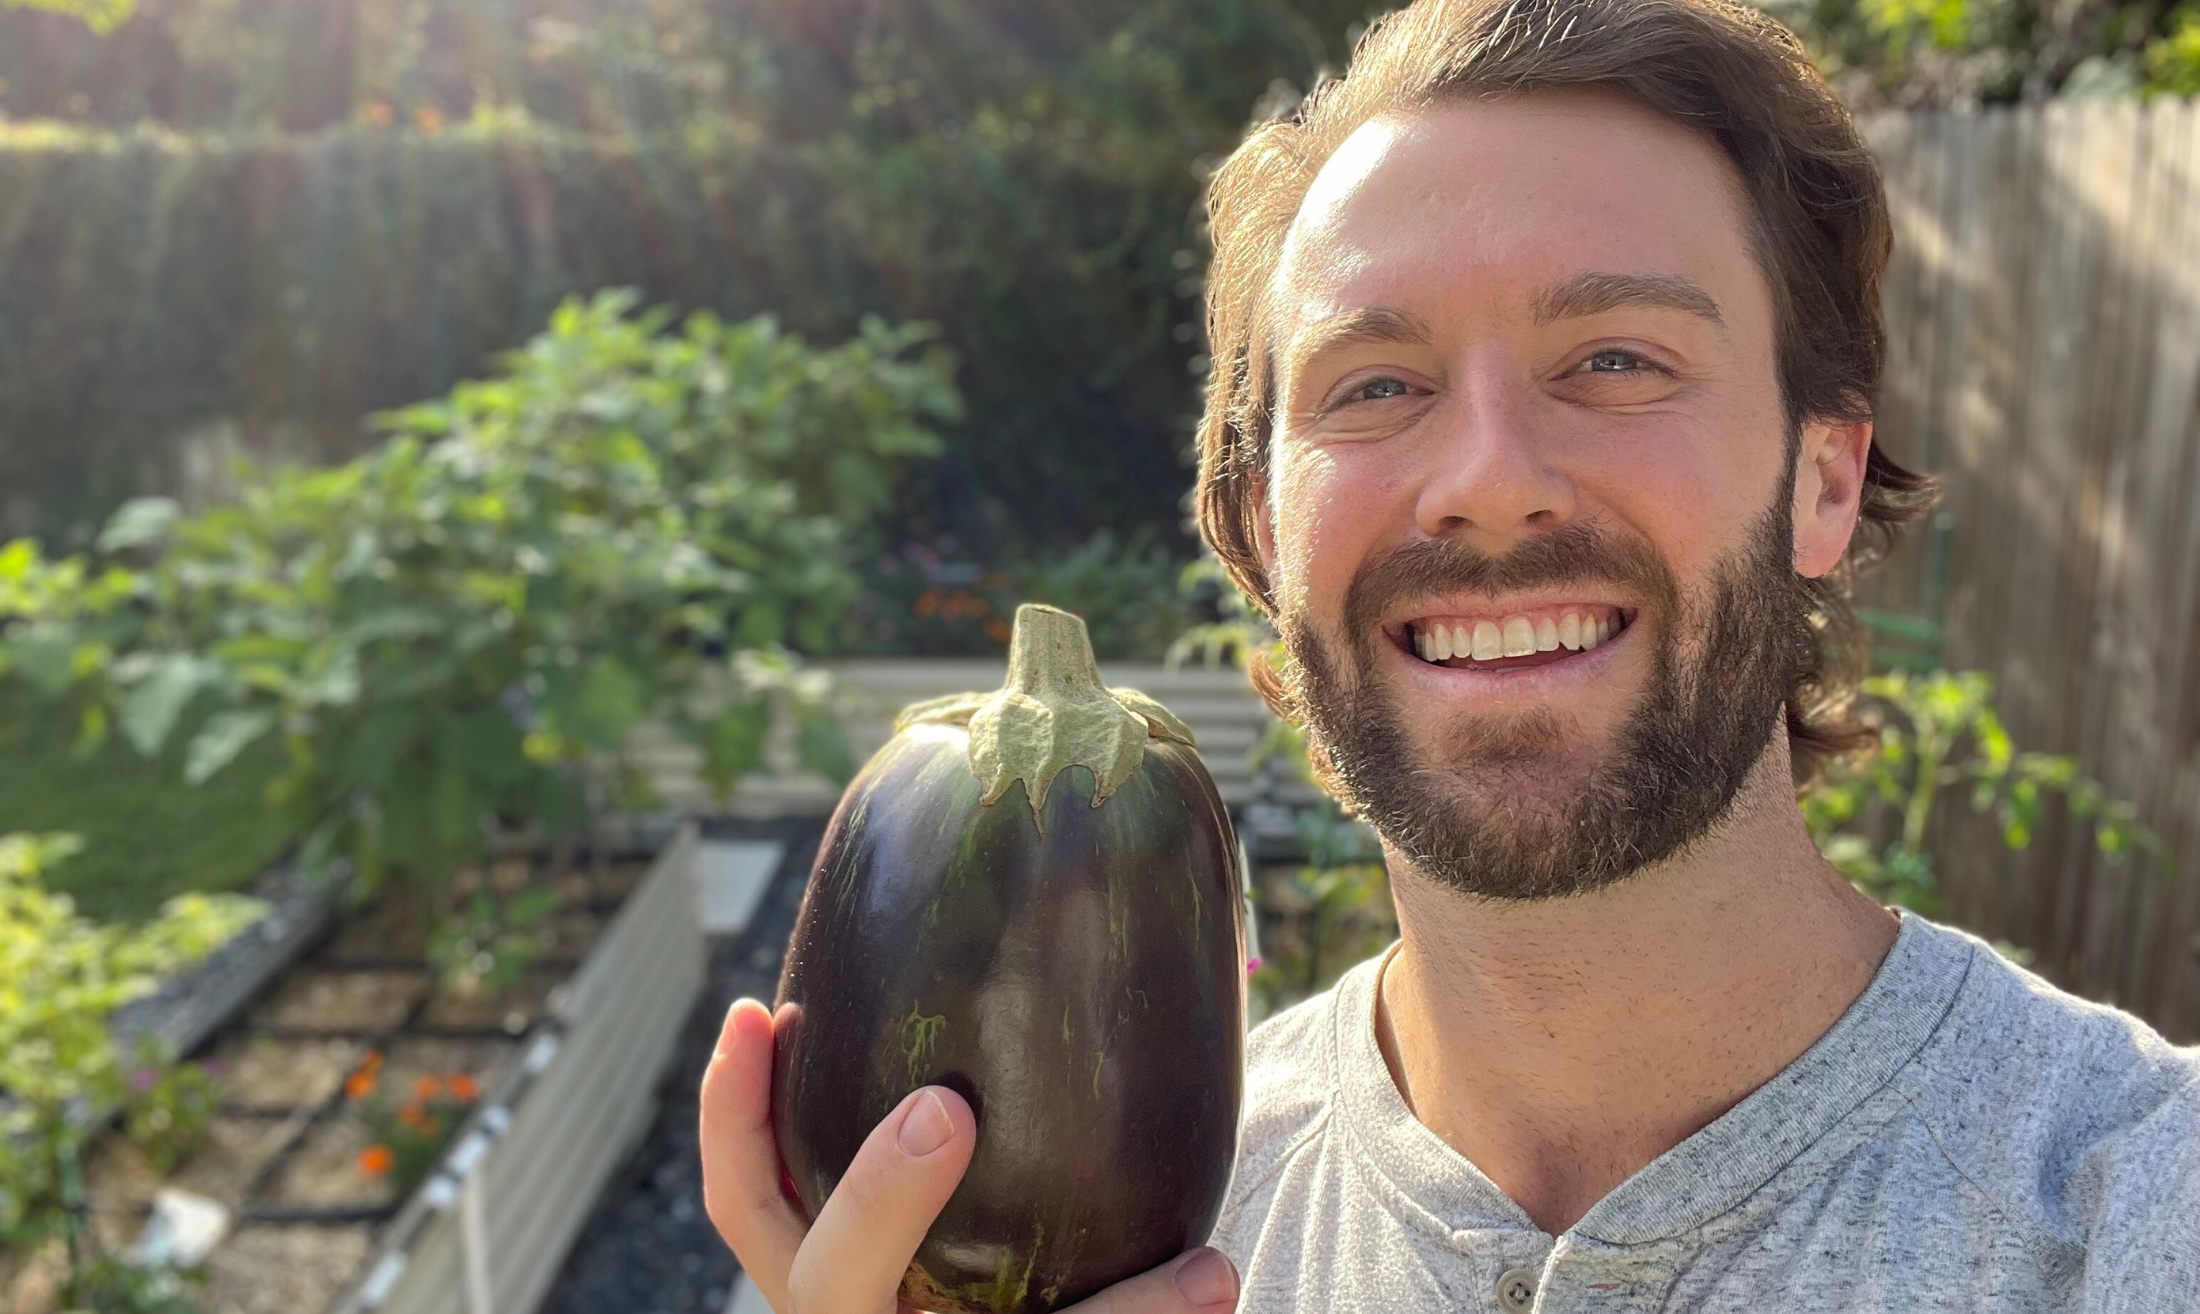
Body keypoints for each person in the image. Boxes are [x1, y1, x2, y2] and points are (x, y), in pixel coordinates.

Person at [698, 0, 2200, 1308]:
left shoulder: (2142, 1213)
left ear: (1820, 476)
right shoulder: (1114, 1247)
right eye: (1377, 383)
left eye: (1616, 358)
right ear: (1264, 529)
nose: (1487, 475)